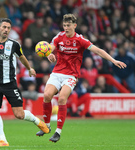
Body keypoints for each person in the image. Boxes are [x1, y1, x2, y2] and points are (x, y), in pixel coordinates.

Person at [36, 14, 127, 142]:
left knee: (62, 98)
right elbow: (50, 47)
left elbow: (98, 51)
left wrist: (113, 60)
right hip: (57, 72)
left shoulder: (80, 40)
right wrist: (49, 54)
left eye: (68, 25)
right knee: (46, 96)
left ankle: (58, 131)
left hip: (71, 75)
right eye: (64, 25)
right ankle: (46, 126)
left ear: (75, 25)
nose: (66, 28)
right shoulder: (59, 37)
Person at [0, 18, 49, 147]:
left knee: (19, 114)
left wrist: (29, 69)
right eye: (4, 27)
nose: (6, 30)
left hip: (10, 83)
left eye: (8, 28)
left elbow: (22, 57)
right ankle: (3, 140)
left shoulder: (14, 44)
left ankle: (38, 122)